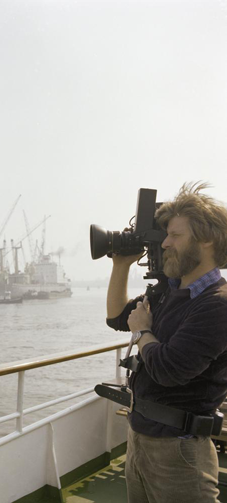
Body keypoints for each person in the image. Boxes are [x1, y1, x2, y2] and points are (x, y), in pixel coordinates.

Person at [106, 182, 227, 503]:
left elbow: (169, 370)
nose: (165, 243)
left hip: (179, 450)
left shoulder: (217, 303)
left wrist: (143, 332)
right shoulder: (168, 291)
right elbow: (117, 317)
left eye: (175, 235)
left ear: (206, 239)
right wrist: (121, 265)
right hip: (140, 437)